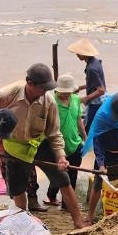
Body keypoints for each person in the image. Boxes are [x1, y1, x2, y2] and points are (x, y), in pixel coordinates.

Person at [0, 63, 88, 229]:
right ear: (29, 83)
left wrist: (61, 157)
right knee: (18, 189)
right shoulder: (7, 95)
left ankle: (78, 221)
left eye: (47, 88)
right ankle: (22, 225)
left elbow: (54, 133)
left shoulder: (49, 102)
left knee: (63, 180)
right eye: (42, 88)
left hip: (39, 143)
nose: (45, 92)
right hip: (15, 146)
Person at [46, 73, 87, 205]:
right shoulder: (52, 103)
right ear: (58, 91)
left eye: (69, 92)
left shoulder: (75, 99)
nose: (67, 95)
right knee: (57, 176)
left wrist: (85, 137)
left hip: (75, 143)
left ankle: (67, 204)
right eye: (65, 92)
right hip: (58, 147)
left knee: (72, 175)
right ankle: (51, 196)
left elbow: (79, 120)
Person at [68, 37, 106, 133]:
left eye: (78, 53)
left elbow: (101, 90)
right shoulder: (96, 62)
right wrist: (80, 88)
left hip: (96, 102)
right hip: (100, 100)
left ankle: (89, 146)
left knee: (89, 128)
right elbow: (95, 82)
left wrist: (85, 99)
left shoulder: (91, 69)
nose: (77, 55)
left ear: (84, 54)